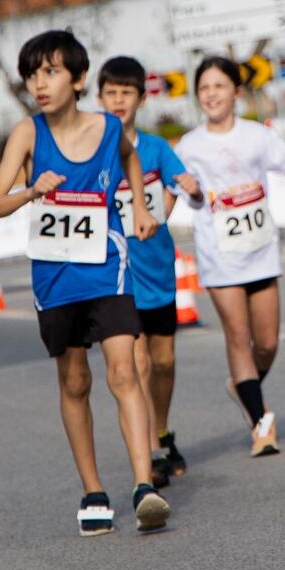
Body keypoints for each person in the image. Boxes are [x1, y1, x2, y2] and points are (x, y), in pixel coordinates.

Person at [0, 30, 169, 536]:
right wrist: (29, 189)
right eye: (31, 75)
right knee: (75, 380)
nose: (39, 84)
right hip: (55, 275)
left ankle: (143, 487)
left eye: (51, 72)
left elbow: (131, 156)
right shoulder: (27, 133)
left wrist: (142, 206)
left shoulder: (109, 128)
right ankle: (92, 491)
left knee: (124, 371)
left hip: (107, 264)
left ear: (79, 78)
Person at [174, 55, 285, 458]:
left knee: (268, 342)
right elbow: (187, 192)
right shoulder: (190, 146)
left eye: (219, 87)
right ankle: (261, 423)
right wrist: (195, 194)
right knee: (239, 337)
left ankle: (243, 385)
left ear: (236, 92)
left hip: (259, 250)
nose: (211, 95)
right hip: (219, 255)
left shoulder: (257, 136)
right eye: (204, 89)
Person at [95, 56, 203, 486]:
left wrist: (188, 191)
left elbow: (184, 188)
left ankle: (160, 429)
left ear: (141, 98)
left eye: (126, 93)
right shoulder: (93, 150)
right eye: (110, 93)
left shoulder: (157, 149)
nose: (118, 100)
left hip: (157, 268)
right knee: (135, 363)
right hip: (116, 277)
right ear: (99, 97)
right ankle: (147, 453)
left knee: (163, 361)